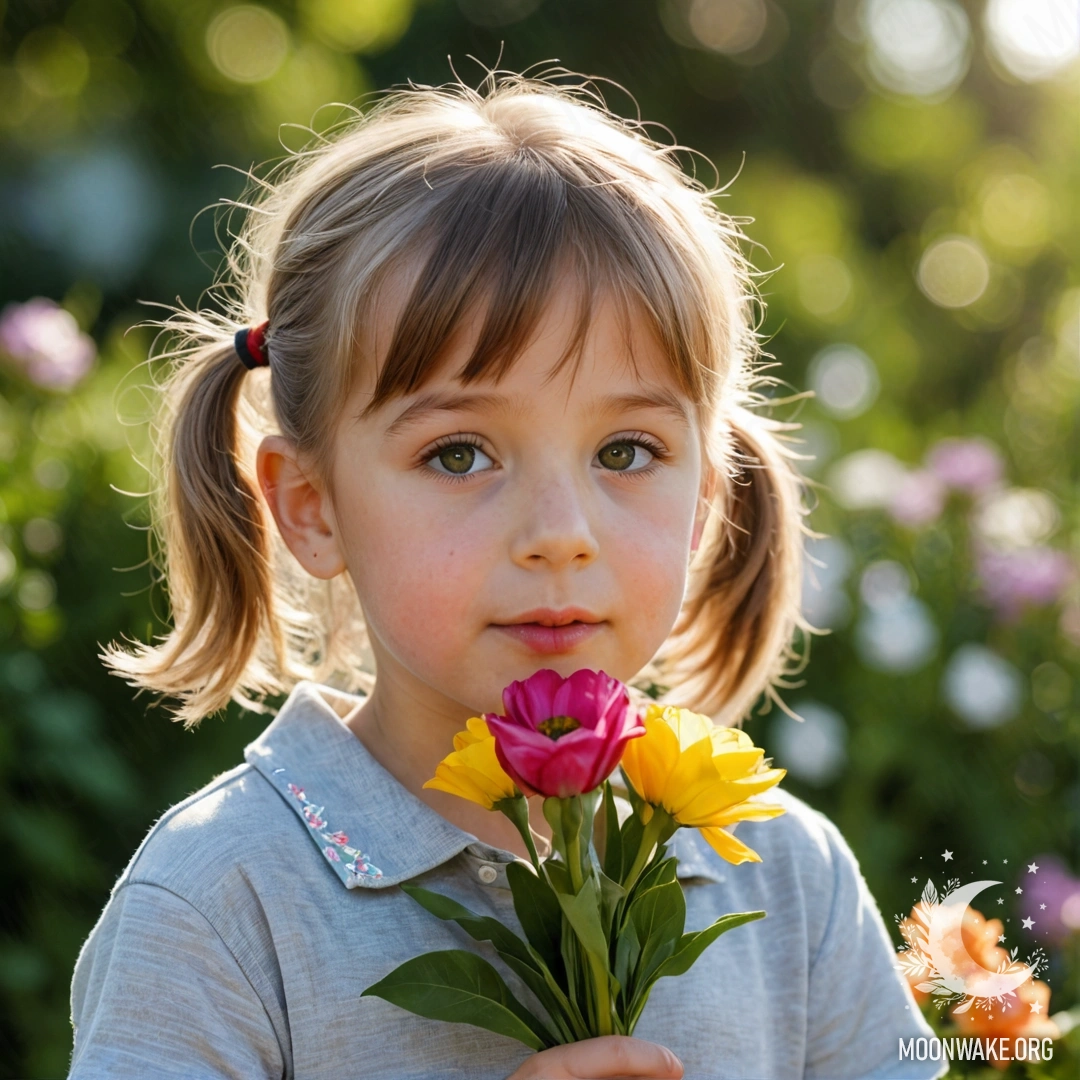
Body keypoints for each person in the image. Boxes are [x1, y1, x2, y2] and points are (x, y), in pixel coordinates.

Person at [67, 69, 944, 1079]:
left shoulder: (786, 879)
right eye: (459, 454)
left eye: (625, 452)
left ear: (705, 498)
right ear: (312, 506)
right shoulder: (222, 904)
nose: (560, 534)